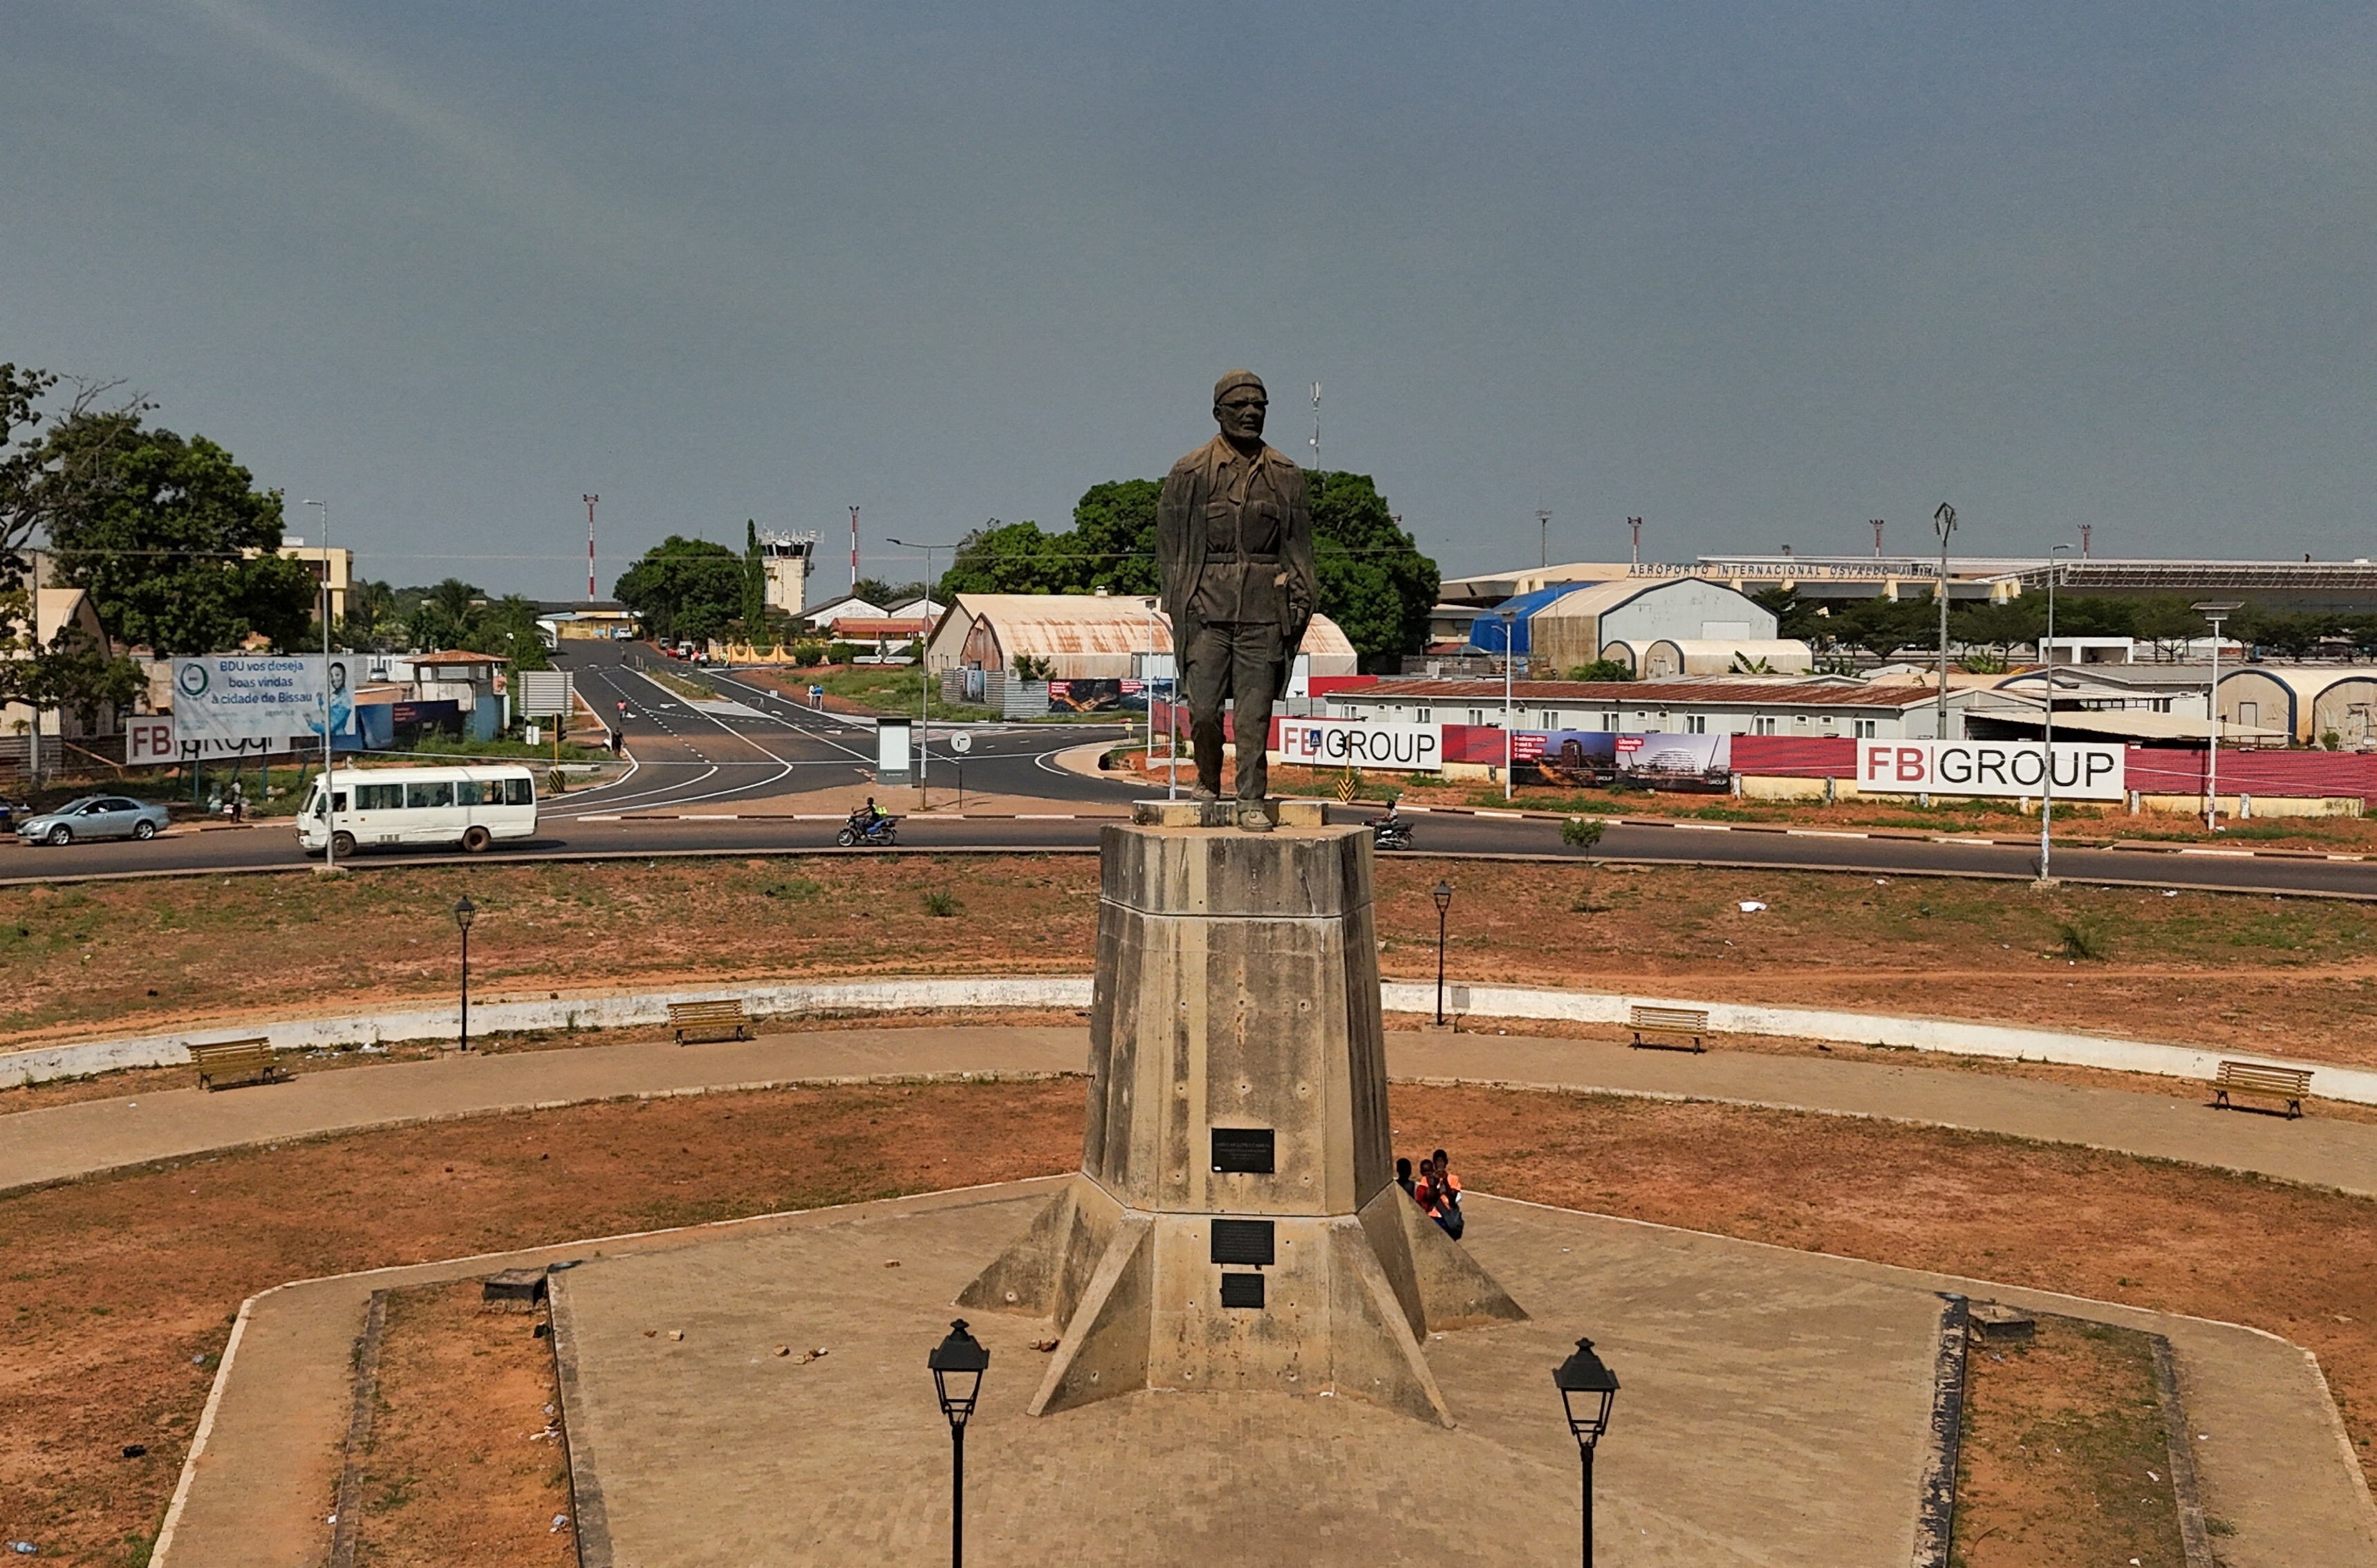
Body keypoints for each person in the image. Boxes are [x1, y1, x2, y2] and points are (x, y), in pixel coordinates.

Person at [1155, 371, 1318, 830]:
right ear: (1218, 413)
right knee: (1203, 711)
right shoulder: (1190, 472)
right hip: (1205, 610)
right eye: (1240, 405)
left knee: (1254, 716)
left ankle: (1251, 798)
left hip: (1264, 614)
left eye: (1259, 406)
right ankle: (1208, 777)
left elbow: (1301, 550)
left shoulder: (1286, 475)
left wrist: (1302, 602)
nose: (1250, 413)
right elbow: (1169, 551)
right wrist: (1181, 604)